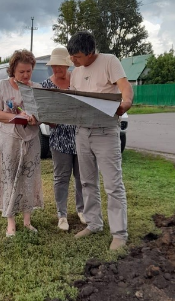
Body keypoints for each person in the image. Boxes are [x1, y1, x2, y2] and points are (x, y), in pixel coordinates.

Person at [67, 31, 134, 250]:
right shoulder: (76, 72)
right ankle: (93, 223)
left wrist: (125, 104)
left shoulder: (109, 61)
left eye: (76, 56)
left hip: (105, 132)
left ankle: (119, 234)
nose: (72, 60)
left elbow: (125, 89)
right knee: (86, 181)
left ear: (89, 52)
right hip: (82, 132)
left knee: (113, 185)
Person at [0, 49, 44, 237]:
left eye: (29, 71)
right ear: (13, 70)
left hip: (31, 141)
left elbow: (42, 114)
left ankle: (27, 221)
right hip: (9, 141)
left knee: (29, 179)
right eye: (22, 72)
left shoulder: (36, 88)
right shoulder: (3, 87)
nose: (26, 75)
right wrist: (15, 116)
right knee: (10, 178)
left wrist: (37, 119)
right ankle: (10, 223)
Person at [41, 47, 85, 231]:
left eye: (60, 66)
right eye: (53, 67)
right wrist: (52, 121)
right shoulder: (46, 85)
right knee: (61, 177)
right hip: (59, 137)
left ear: (67, 65)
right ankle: (62, 215)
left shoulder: (77, 79)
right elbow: (43, 113)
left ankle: (82, 210)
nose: (56, 70)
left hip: (81, 134)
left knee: (82, 177)